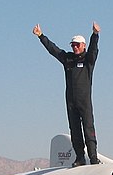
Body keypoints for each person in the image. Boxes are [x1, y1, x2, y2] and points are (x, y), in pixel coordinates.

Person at [33, 22, 100, 167]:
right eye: (72, 45)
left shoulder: (88, 60)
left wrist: (95, 35)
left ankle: (93, 157)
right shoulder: (68, 59)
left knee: (88, 128)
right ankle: (80, 158)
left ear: (83, 45)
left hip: (85, 102)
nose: (74, 47)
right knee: (75, 130)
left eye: (77, 45)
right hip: (71, 102)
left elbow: (94, 51)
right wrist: (41, 36)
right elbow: (54, 50)